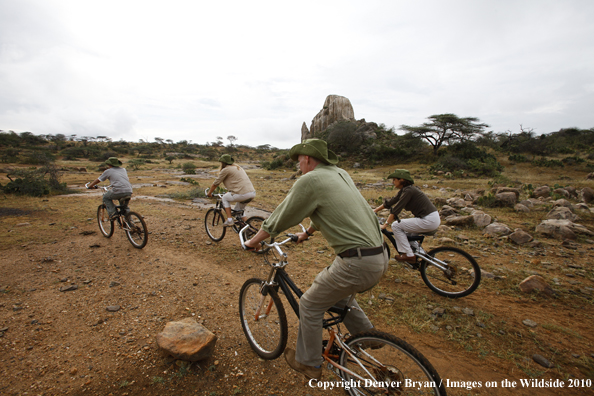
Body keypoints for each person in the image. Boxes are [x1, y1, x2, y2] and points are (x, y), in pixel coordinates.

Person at [244, 139, 388, 380]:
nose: (298, 165)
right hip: (379, 256)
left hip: (357, 262)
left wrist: (254, 240)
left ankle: (308, 363)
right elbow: (329, 208)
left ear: (308, 158)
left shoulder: (310, 180)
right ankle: (368, 337)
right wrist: (307, 233)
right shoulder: (339, 173)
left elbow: (282, 215)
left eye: (299, 160)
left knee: (309, 305)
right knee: (339, 295)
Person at [373, 169, 440, 263]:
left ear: (401, 180)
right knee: (407, 236)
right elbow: (392, 202)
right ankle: (423, 255)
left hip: (428, 220)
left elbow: (396, 209)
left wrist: (385, 224)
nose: (393, 182)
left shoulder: (408, 191)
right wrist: (374, 210)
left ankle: (409, 255)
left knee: (396, 225)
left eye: (394, 179)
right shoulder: (405, 189)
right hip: (430, 218)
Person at [206, 154, 256, 226]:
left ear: (222, 163)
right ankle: (248, 229)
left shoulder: (226, 170)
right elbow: (237, 182)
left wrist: (209, 193)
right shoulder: (238, 167)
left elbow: (215, 183)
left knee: (225, 198)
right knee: (239, 211)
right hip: (252, 193)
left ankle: (229, 220)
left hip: (242, 194)